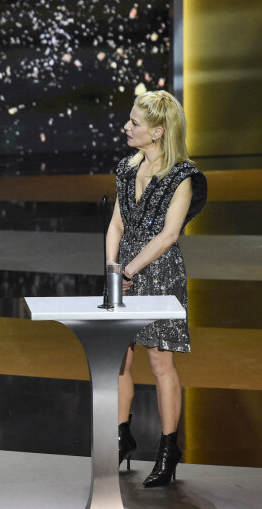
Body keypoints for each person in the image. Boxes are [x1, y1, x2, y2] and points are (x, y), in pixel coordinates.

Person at [106, 90, 207, 487]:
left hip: (159, 273)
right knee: (119, 360)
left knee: (160, 363)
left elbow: (167, 236)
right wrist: (113, 269)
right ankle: (121, 436)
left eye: (134, 123)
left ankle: (169, 449)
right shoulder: (127, 169)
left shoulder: (182, 176)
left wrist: (129, 270)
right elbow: (117, 222)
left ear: (159, 132)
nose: (126, 127)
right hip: (125, 273)